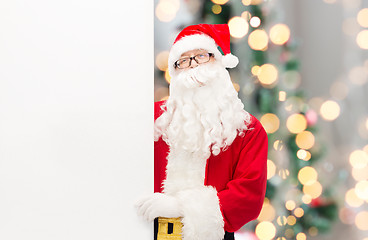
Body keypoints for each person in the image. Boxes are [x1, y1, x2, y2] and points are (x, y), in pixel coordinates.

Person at [136, 24, 268, 240]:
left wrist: (181, 207)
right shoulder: (152, 120)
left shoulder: (247, 130)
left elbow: (248, 198)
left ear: (217, 62)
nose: (193, 66)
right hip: (145, 232)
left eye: (201, 56)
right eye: (184, 60)